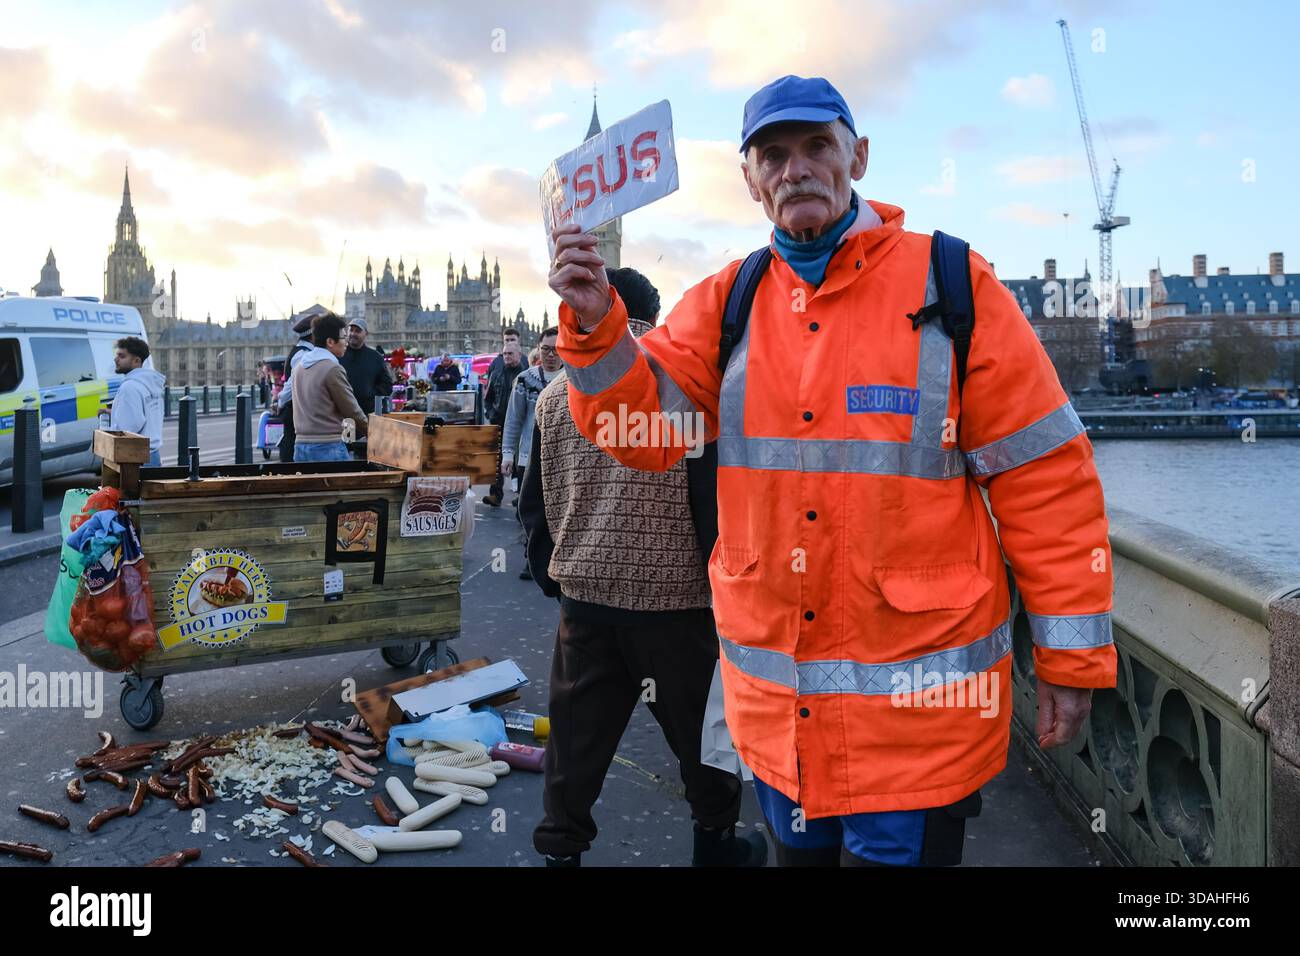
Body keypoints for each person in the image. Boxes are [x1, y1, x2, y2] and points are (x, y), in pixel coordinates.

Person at [548, 74, 1115, 867]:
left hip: (919, 727)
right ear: (750, 180)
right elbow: (634, 428)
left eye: (817, 145)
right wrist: (592, 324)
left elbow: (1045, 482)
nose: (796, 168)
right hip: (785, 724)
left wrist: (1069, 658)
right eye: (773, 154)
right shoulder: (728, 302)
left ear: (859, 156)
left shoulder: (955, 284)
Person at [518, 267, 763, 868]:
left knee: (575, 744)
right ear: (651, 316)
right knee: (704, 741)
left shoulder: (556, 394)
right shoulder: (685, 388)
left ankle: (560, 851)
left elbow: (533, 504)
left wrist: (556, 576)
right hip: (678, 602)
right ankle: (716, 842)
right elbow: (712, 498)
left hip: (586, 604)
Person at [502, 327, 562, 577]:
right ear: (538, 350)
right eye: (546, 349)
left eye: (556, 349)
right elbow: (513, 419)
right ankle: (532, 558)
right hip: (529, 456)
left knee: (557, 510)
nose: (550, 355)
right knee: (530, 509)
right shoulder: (525, 379)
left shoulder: (574, 379)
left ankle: (556, 560)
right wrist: (507, 454)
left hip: (561, 457)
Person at [290, 312, 368, 462]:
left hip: (300, 447)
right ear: (330, 341)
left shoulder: (299, 367)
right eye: (343, 337)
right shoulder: (332, 369)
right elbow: (351, 410)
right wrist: (371, 431)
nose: (347, 342)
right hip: (328, 447)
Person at [481, 342, 528, 507]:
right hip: (500, 421)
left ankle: (522, 496)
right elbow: (487, 399)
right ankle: (495, 494)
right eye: (505, 354)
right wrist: (491, 415)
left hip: (521, 423)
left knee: (521, 461)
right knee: (497, 459)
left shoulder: (526, 374)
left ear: (519, 355)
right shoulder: (496, 373)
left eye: (510, 354)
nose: (506, 357)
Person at [109, 336, 165, 467]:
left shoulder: (130, 387)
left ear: (136, 361)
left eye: (122, 356)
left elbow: (127, 428)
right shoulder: (152, 385)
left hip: (136, 458)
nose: (115, 359)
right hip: (153, 454)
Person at [275, 314, 316, 462]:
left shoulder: (303, 350)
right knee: (291, 444)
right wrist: (281, 402)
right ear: (313, 335)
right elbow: (293, 384)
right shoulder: (304, 354)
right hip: (294, 410)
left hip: (296, 410)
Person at [339, 317, 393, 416]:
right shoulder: (339, 355)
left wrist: (370, 395)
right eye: (351, 330)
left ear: (366, 334)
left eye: (358, 331)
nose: (353, 334)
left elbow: (387, 385)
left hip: (366, 413)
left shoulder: (375, 357)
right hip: (342, 414)